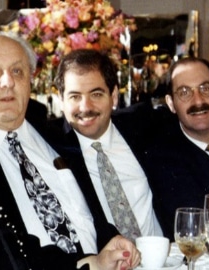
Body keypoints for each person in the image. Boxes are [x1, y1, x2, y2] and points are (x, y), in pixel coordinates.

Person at [0, 32, 140, 270]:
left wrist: (112, 240)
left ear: (30, 82)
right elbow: (4, 250)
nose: (7, 82)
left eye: (17, 71)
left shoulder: (56, 137)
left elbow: (88, 215)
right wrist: (90, 264)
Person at [51, 49, 163, 240]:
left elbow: (192, 115)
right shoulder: (51, 145)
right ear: (61, 100)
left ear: (114, 96)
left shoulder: (140, 126)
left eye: (96, 94)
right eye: (75, 96)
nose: (85, 107)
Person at [144, 57, 209, 241]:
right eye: (184, 92)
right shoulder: (165, 161)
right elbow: (200, 233)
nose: (198, 100)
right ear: (170, 103)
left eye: (205, 88)